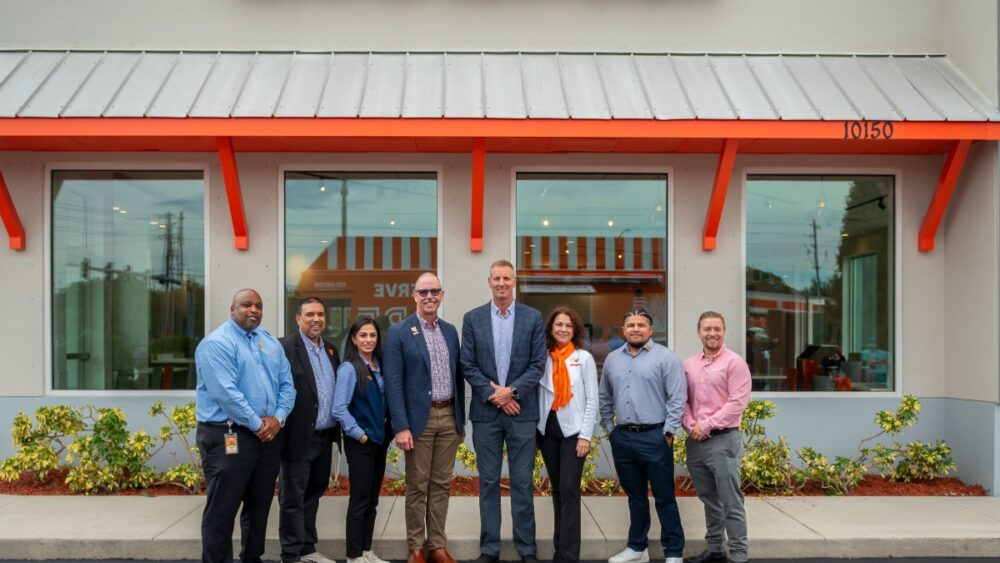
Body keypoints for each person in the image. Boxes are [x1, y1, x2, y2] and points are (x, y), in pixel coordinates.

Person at [195, 288, 296, 563]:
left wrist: (278, 418)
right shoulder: (217, 343)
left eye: (259, 306)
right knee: (222, 510)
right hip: (228, 435)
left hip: (267, 437)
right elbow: (226, 393)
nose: (254, 310)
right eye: (247, 305)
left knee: (259, 506)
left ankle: (252, 558)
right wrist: (258, 424)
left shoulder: (269, 342)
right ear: (232, 309)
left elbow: (287, 386)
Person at [460, 259, 546, 563]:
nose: (501, 283)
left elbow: (538, 363)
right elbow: (467, 363)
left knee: (522, 482)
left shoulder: (533, 317)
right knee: (488, 482)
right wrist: (494, 395)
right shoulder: (473, 319)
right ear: (489, 281)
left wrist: (511, 392)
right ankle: (489, 549)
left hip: (522, 412)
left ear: (514, 282)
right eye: (496, 278)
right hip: (486, 414)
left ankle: (526, 549)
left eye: (506, 278)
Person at [384, 273, 466, 563]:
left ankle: (437, 546)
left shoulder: (450, 331)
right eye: (423, 292)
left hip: (448, 417)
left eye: (434, 291)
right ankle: (416, 547)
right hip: (418, 421)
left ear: (442, 294)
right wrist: (401, 426)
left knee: (442, 485)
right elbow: (393, 383)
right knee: (418, 486)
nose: (429, 296)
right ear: (414, 295)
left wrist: (460, 421)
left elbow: (458, 378)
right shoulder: (399, 332)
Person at [599, 307, 686, 563]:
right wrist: (610, 429)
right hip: (623, 437)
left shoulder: (666, 358)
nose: (635, 329)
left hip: (655, 437)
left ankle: (674, 552)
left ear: (650, 329)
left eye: (641, 325)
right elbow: (604, 396)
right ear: (623, 330)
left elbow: (677, 398)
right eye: (631, 325)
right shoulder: (613, 359)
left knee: (664, 497)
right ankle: (637, 548)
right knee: (635, 497)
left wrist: (668, 432)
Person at [682, 312, 751, 563]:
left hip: (723, 440)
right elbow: (682, 401)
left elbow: (736, 404)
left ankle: (739, 554)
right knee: (709, 499)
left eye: (717, 329)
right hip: (696, 441)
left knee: (731, 500)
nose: (712, 333)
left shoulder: (735, 363)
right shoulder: (689, 365)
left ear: (724, 331)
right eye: (707, 329)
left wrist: (706, 425)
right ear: (699, 332)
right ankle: (715, 549)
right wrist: (691, 426)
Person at [279, 297, 342, 563]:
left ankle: (307, 549)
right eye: (310, 315)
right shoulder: (284, 347)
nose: (316, 319)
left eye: (321, 315)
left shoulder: (330, 349)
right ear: (298, 319)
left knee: (314, 492)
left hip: (324, 437)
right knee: (293, 498)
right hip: (297, 437)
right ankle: (291, 554)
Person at [536, 306, 599, 563]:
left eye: (568, 325)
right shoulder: (543, 357)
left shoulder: (583, 358)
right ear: (551, 328)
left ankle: (569, 555)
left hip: (574, 431)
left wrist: (585, 435)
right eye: (559, 324)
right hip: (548, 429)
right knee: (558, 490)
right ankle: (559, 549)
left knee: (570, 488)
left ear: (575, 331)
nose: (563, 329)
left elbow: (592, 400)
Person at [332, 317, 391, 563]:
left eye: (373, 335)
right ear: (354, 339)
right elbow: (339, 409)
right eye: (363, 335)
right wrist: (360, 434)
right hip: (362, 443)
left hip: (379, 441)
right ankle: (354, 555)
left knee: (372, 500)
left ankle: (367, 551)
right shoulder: (349, 368)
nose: (368, 340)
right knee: (359, 500)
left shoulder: (378, 364)